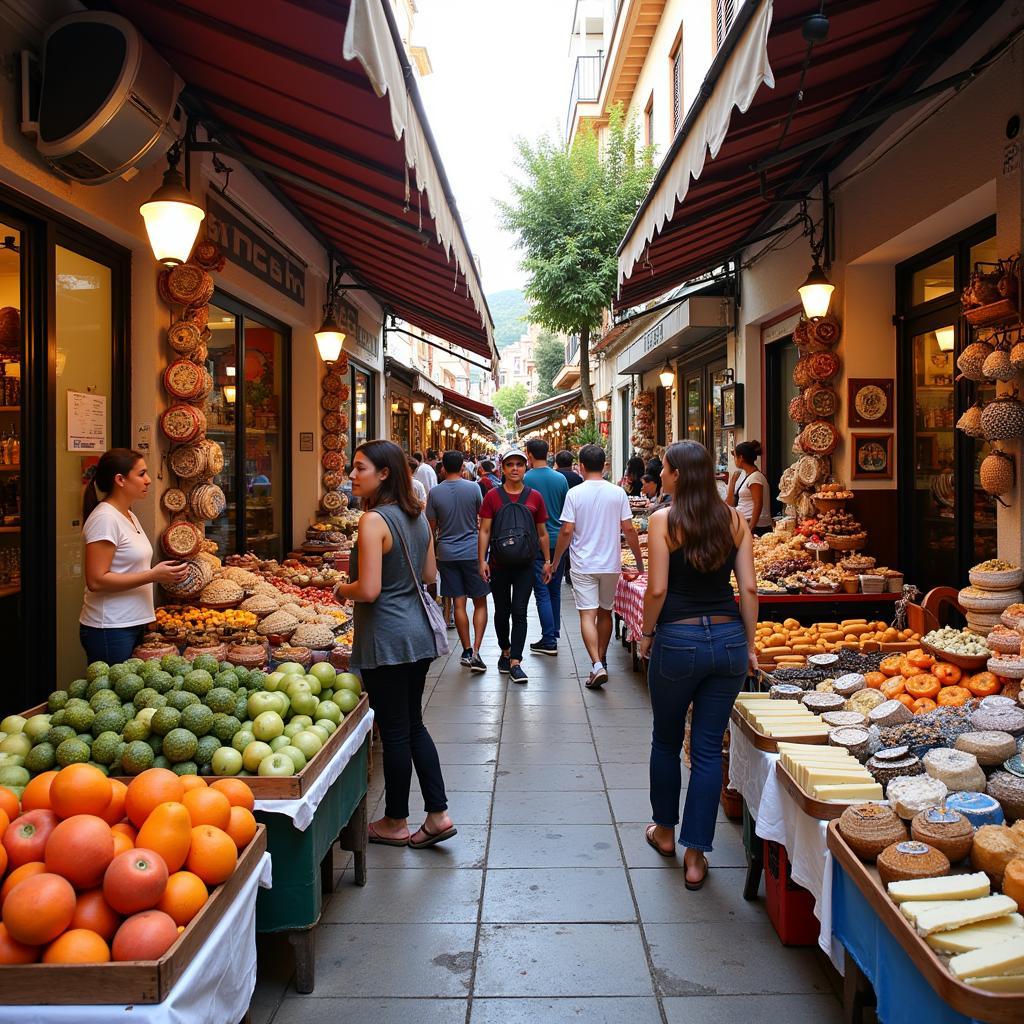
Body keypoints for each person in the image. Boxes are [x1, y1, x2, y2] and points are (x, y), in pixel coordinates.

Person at [637, 440, 758, 889]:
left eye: (665, 469)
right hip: (726, 639)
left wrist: (647, 634)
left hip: (678, 639)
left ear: (678, 475)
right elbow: (748, 590)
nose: (661, 474)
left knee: (666, 740)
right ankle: (696, 855)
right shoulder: (734, 520)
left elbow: (656, 590)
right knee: (707, 748)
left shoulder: (663, 520)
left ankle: (665, 833)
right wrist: (748, 644)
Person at [335, 439, 456, 849]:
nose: (352, 475)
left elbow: (368, 590)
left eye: (360, 467)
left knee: (395, 731)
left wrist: (340, 588)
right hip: (417, 634)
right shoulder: (416, 517)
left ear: (384, 473)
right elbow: (427, 574)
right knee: (412, 724)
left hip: (385, 637)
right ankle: (437, 813)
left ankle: (396, 820)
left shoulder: (373, 521)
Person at [80, 449, 189, 665]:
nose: (148, 480)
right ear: (120, 480)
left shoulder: (128, 514)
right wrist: (153, 575)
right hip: (110, 627)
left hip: (132, 623)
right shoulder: (105, 519)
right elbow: (96, 580)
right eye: (141, 474)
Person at [551, 444, 645, 689]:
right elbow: (629, 529)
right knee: (605, 612)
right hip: (610, 563)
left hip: (583, 564)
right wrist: (638, 561)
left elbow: (567, 530)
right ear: (604, 466)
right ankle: (601, 658)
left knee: (587, 614)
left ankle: (596, 664)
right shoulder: (617, 493)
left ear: (580, 466)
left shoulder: (575, 494)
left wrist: (557, 559)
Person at [478, 447, 551, 683]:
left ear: (525, 467)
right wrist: (482, 560)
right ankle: (505, 650)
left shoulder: (535, 497)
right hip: (498, 563)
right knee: (502, 611)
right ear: (503, 468)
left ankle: (516, 661)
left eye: (519, 464)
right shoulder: (492, 497)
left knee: (520, 611)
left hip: (526, 564)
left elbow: (542, 533)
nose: (515, 469)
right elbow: (485, 530)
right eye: (510, 465)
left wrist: (548, 561)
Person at [426, 451, 488, 673]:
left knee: (459, 603)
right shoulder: (473, 488)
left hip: (447, 553)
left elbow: (431, 528)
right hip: (472, 551)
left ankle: (467, 650)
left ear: (442, 469)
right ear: (463, 467)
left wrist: (432, 556)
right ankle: (478, 651)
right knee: (480, 601)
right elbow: (481, 519)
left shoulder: (434, 492)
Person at [523, 438, 568, 656]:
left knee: (541, 591)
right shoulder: (560, 479)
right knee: (555, 590)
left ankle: (549, 639)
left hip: (536, 541)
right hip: (558, 540)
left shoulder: (525, 478)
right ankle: (554, 631)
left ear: (529, 455)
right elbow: (564, 510)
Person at [726, 440, 772, 535]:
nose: (734, 460)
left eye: (735, 456)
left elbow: (758, 504)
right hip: (745, 523)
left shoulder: (755, 477)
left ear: (741, 458)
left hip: (756, 527)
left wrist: (751, 527)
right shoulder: (749, 476)